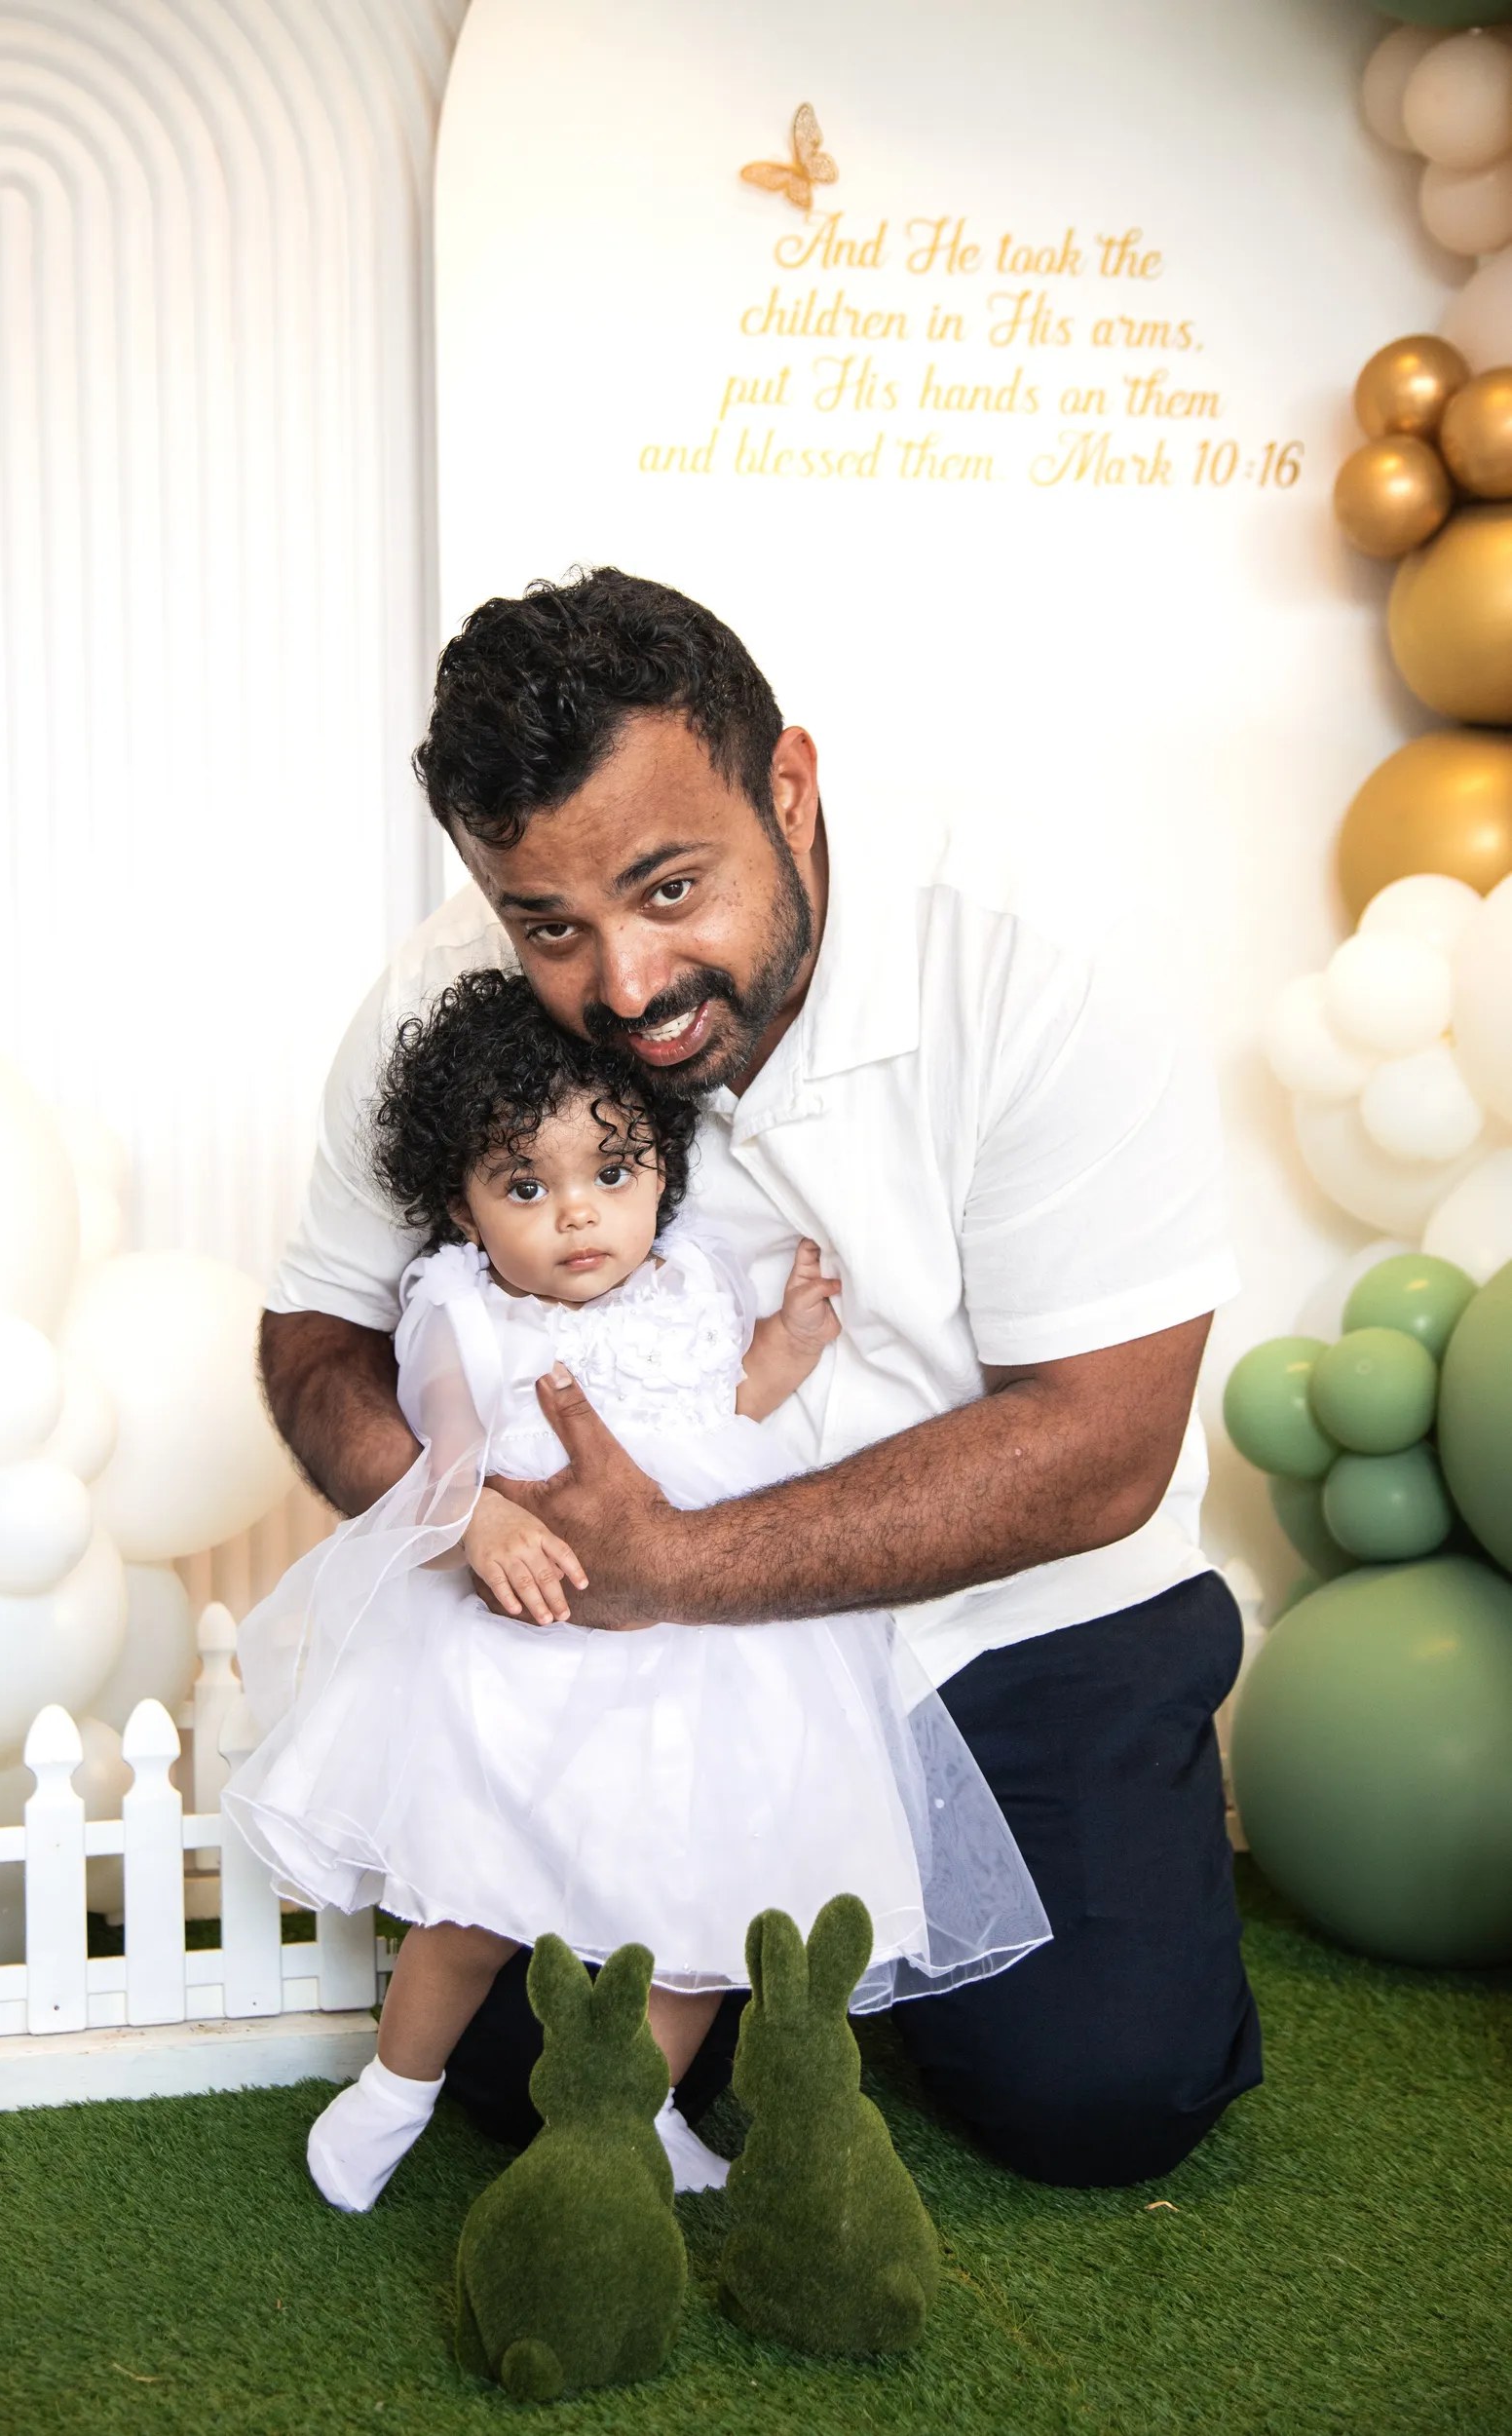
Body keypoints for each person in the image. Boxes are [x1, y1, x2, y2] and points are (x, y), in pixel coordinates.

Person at [261, 567, 1263, 2189]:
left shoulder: (1036, 963)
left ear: (788, 790)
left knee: (1099, 2095)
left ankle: (916, 1942)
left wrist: (685, 1565)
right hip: (608, 1649)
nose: (628, 988)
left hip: (1011, 1614)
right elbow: (317, 1340)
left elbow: (1099, 1443)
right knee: (525, 2078)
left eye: (672, 889)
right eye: (550, 926)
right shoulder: (450, 997)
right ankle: (770, 1950)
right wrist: (457, 1510)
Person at [226, 969, 1048, 2211]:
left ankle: (641, 2110)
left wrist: (789, 1345)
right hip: (535, 1638)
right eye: (525, 1187)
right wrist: (486, 1517)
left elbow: (726, 1408)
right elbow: (441, 1455)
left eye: (612, 1175)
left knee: (707, 1897)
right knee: (477, 1891)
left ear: (661, 1168)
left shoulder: (690, 1280)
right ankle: (393, 2088)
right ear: (460, 1204)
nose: (577, 1218)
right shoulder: (462, 1309)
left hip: (708, 1638)